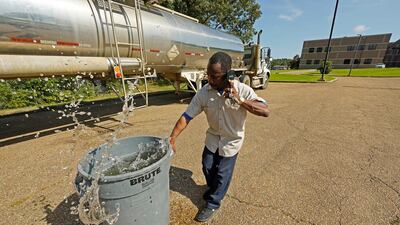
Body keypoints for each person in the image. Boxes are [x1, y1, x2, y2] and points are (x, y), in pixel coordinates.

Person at [169, 52, 269, 222]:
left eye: (215, 76)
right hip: (213, 138)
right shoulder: (204, 92)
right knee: (207, 166)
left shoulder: (243, 90)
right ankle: (214, 188)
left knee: (222, 173)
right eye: (208, 75)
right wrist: (172, 138)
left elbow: (265, 111)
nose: (210, 80)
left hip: (232, 140)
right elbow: (187, 116)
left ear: (229, 74)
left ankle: (214, 203)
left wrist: (239, 100)